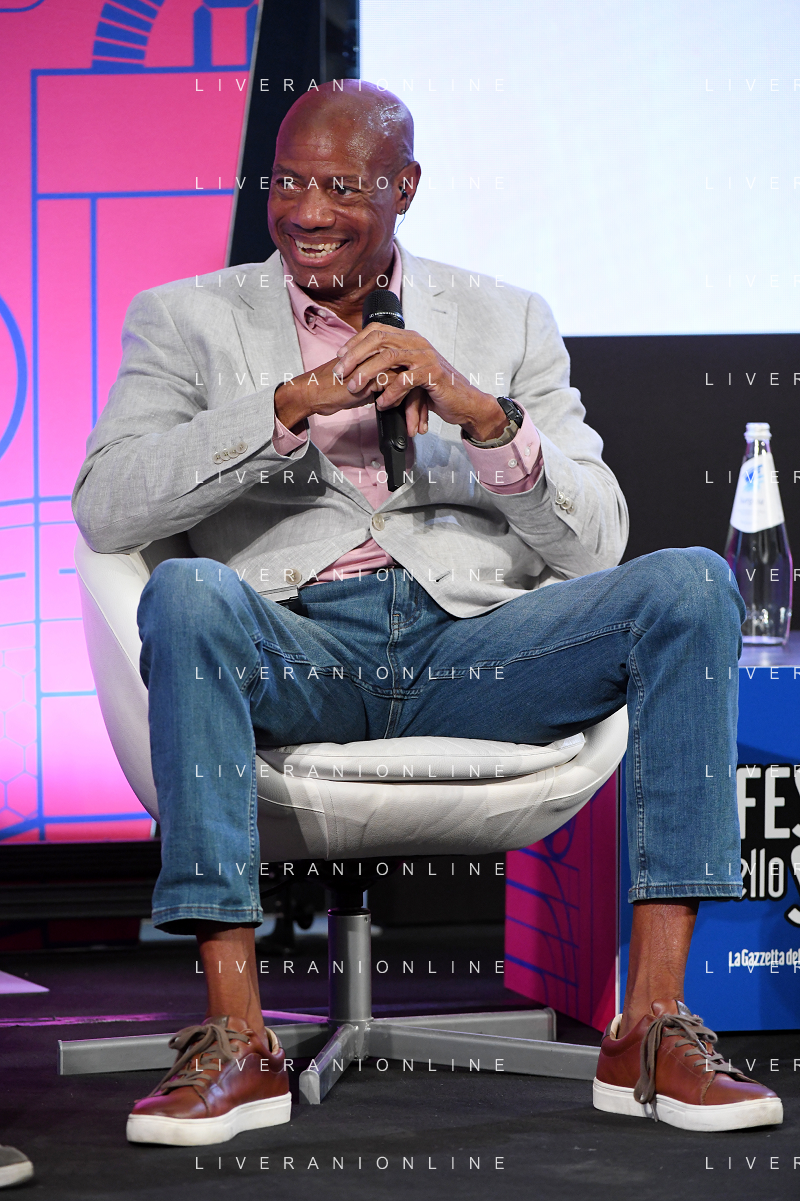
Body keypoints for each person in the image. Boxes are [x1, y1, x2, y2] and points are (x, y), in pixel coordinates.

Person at [72, 82, 782, 1145]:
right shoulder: (185, 318)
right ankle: (237, 1037)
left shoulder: (506, 317)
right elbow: (106, 504)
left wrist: (483, 416)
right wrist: (284, 408)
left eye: (339, 187)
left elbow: (595, 538)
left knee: (688, 584)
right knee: (183, 591)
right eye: (288, 182)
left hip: (475, 650)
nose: (307, 211)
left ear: (402, 188)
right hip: (295, 645)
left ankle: (651, 1027)